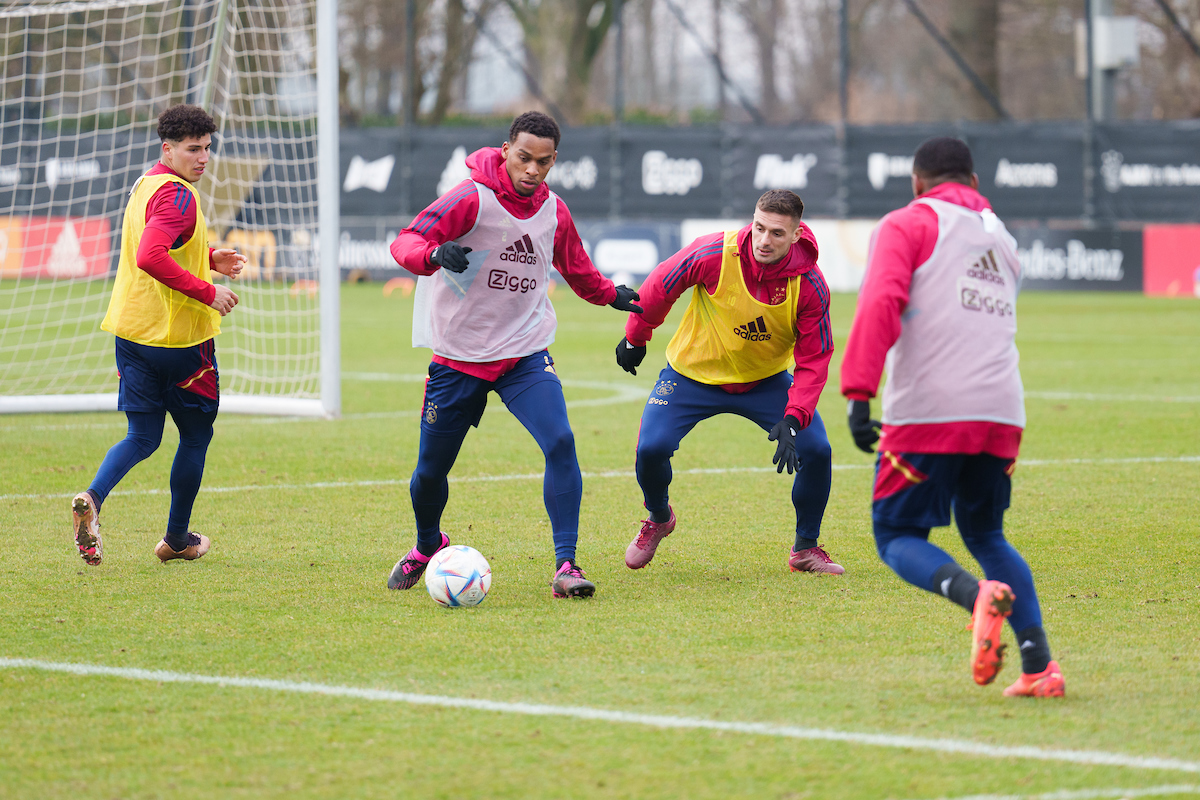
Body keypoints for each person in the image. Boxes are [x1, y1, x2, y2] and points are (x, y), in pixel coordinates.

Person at [840, 136, 1064, 698]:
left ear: (918, 183)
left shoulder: (908, 223)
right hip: (1002, 413)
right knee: (986, 531)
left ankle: (975, 596)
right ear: (975, 183)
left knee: (895, 533)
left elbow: (880, 302)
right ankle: (1040, 667)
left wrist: (859, 391)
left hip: (932, 411)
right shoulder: (1004, 239)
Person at [387, 111, 643, 599]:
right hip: (459, 358)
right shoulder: (470, 198)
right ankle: (427, 545)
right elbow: (406, 241)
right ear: (505, 151)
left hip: (525, 352)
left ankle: (566, 566)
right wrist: (434, 255)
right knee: (430, 472)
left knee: (561, 442)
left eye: (543, 162)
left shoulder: (554, 211)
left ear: (553, 162)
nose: (532, 170)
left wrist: (611, 295)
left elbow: (578, 270)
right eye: (524, 158)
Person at [614, 189, 843, 575]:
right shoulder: (713, 253)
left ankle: (805, 547)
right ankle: (658, 517)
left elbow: (815, 359)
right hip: (691, 376)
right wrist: (636, 337)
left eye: (776, 233)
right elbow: (659, 287)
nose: (763, 241)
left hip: (764, 382)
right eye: (758, 228)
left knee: (817, 450)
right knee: (651, 448)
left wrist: (794, 416)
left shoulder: (810, 285)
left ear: (797, 235)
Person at [71, 104, 246, 566]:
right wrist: (207, 290)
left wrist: (207, 256)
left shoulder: (147, 183)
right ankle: (176, 538)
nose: (203, 158)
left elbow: (162, 244)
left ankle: (92, 498)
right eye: (193, 149)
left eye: (208, 148)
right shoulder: (179, 195)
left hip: (132, 335)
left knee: (143, 436)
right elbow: (151, 256)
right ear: (168, 149)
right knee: (194, 436)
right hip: (178, 343)